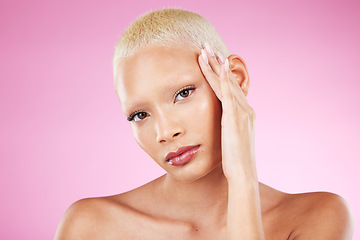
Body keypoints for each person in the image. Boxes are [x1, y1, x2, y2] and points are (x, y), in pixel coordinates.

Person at [54, 8, 353, 239]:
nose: (165, 132)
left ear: (234, 78)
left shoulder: (317, 216)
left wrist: (242, 179)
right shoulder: (93, 226)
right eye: (140, 115)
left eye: (183, 93)